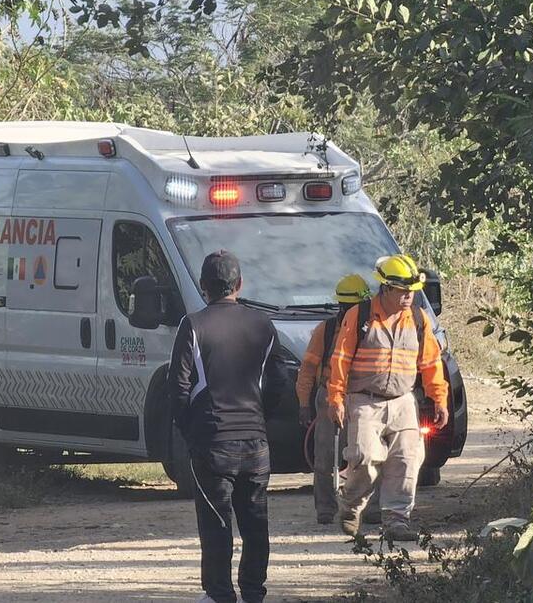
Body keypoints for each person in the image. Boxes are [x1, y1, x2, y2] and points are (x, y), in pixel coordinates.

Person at [169, 250, 286, 603]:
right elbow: (279, 383)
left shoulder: (193, 325)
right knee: (255, 522)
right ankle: (254, 592)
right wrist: (258, 417)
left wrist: (190, 430)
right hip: (255, 443)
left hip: (212, 443)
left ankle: (220, 594)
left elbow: (178, 388)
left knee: (216, 523)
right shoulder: (263, 325)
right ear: (239, 284)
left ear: (204, 287)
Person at [326, 254, 450, 542]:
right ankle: (351, 505)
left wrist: (439, 399)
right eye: (403, 291)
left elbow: (431, 363)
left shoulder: (418, 319)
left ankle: (396, 520)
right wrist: (336, 399)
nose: (409, 296)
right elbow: (341, 360)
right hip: (364, 400)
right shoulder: (359, 316)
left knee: (408, 458)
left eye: (412, 291)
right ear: (386, 288)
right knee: (364, 459)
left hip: (403, 400)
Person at [295, 274, 380, 525]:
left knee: (368, 456)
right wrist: (303, 403)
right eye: (343, 305)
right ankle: (325, 509)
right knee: (324, 457)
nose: (347, 310)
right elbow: (308, 368)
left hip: (364, 398)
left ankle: (370, 508)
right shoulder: (327, 329)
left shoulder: (374, 329)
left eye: (351, 306)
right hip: (329, 397)